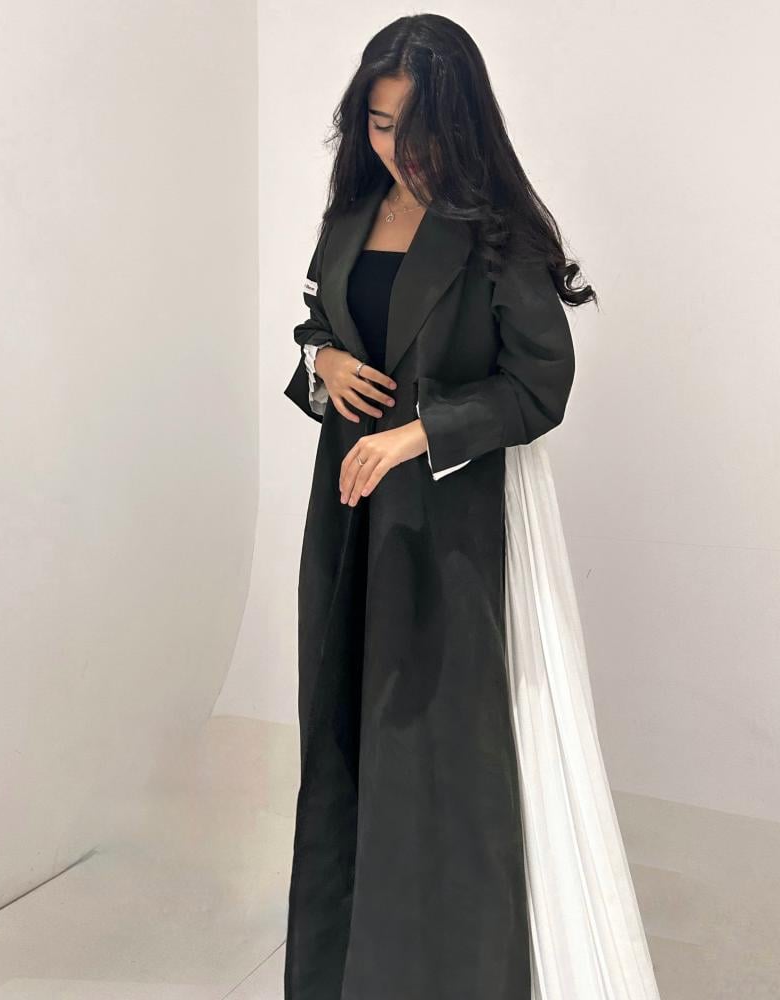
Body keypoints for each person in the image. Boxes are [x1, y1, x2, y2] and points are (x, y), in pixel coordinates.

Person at [282, 14, 662, 1000]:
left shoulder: (496, 233)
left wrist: (417, 433)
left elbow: (540, 386)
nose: (396, 151)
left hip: (448, 525)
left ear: (460, 123)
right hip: (348, 516)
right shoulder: (349, 217)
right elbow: (319, 326)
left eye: (416, 131)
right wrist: (323, 364)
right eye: (378, 126)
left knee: (436, 752)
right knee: (341, 740)